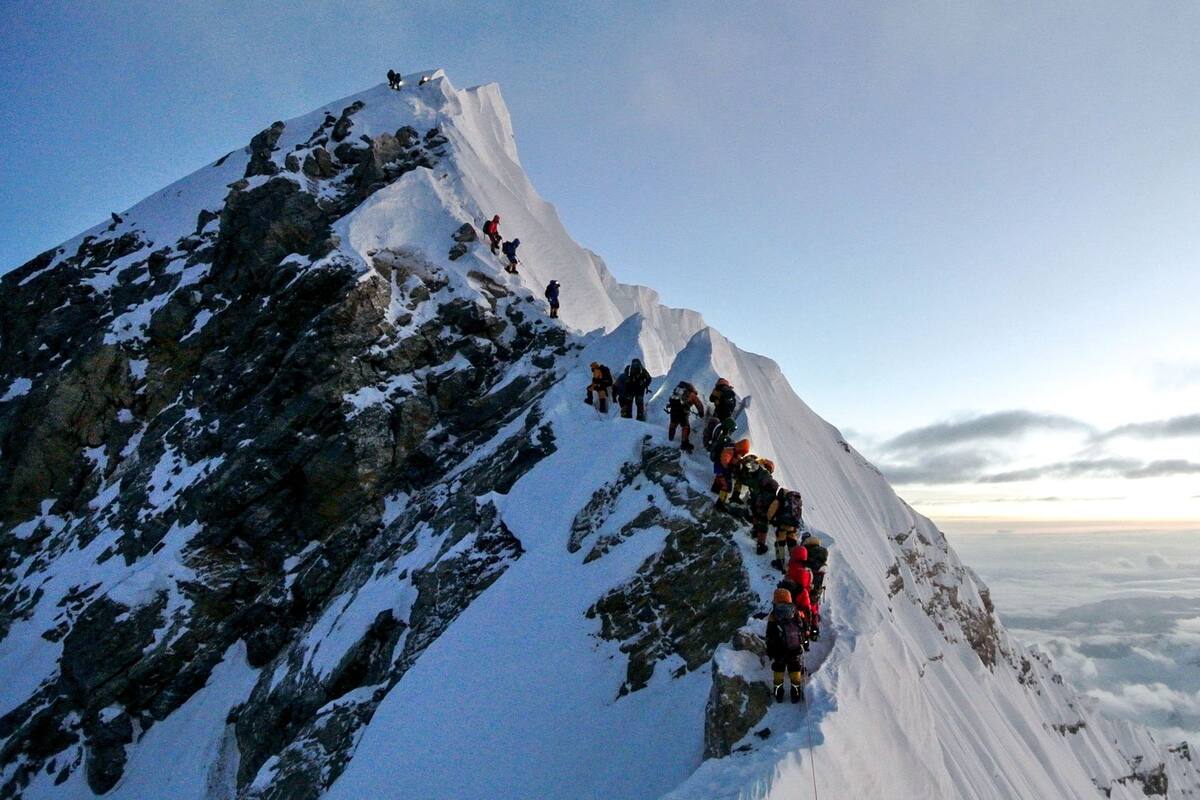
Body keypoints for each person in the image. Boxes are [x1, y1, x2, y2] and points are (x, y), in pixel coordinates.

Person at [766, 587, 807, 704]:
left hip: (778, 650)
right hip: (794, 648)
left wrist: (770, 650)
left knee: (778, 670)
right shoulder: (795, 612)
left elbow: (769, 634)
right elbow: (802, 628)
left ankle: (778, 694)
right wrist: (802, 642)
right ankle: (795, 694)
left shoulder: (774, 615)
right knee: (795, 669)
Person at [767, 488, 804, 570]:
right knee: (792, 542)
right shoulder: (795, 501)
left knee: (780, 542)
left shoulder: (779, 500)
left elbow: (770, 512)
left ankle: (780, 562)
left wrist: (771, 520)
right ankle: (795, 562)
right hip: (793, 525)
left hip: (782, 524)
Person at [748, 460, 779, 556]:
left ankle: (754, 531)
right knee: (763, 525)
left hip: (756, 500)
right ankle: (761, 545)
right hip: (765, 507)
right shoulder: (768, 478)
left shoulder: (758, 473)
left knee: (756, 516)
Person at [666, 381, 705, 453]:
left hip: (674, 409)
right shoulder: (692, 394)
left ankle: (670, 439)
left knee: (673, 423)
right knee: (685, 427)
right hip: (682, 412)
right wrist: (701, 413)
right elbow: (699, 404)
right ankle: (684, 443)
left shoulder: (677, 391)